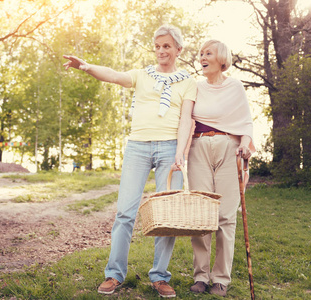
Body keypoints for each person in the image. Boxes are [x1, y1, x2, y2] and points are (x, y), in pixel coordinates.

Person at [63, 24, 196, 298]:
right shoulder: (142, 75)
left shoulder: (188, 82)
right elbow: (113, 76)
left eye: (167, 46)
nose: (161, 51)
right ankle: (114, 274)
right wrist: (86, 67)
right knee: (125, 212)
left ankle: (160, 277)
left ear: (178, 50)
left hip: (171, 147)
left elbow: (186, 119)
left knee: (166, 215)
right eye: (158, 46)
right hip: (138, 146)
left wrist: (180, 153)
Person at [174, 40, 255, 297]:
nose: (202, 58)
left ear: (221, 58)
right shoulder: (195, 87)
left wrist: (244, 143)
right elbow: (186, 118)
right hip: (199, 148)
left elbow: (245, 122)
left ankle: (220, 278)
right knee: (201, 214)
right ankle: (200, 276)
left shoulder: (235, 86)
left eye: (208, 53)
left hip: (229, 148)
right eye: (200, 54)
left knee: (225, 216)